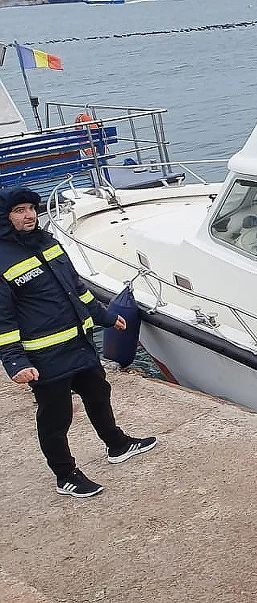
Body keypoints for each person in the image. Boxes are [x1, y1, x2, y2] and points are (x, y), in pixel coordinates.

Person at [0, 186, 157, 498]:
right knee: (56, 416)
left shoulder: (49, 243)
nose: (29, 215)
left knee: (99, 394)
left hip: (79, 344)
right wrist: (15, 361)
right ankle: (65, 474)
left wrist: (105, 317)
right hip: (45, 355)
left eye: (31, 208)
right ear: (5, 217)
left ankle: (118, 444)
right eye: (19, 211)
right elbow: (2, 318)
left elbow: (76, 288)